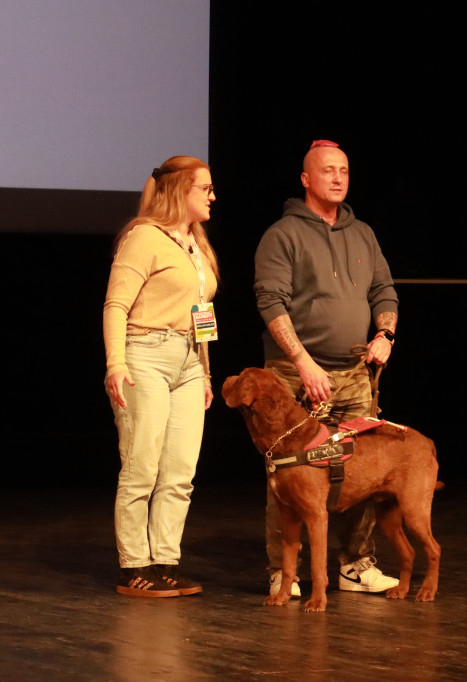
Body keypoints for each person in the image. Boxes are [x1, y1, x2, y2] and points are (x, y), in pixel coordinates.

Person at [254, 140, 400, 598]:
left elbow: (385, 291)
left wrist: (385, 336)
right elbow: (270, 302)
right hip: (298, 374)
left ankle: (356, 565)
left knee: (361, 470)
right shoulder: (282, 235)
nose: (337, 178)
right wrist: (302, 361)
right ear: (306, 179)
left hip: (354, 372)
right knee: (291, 475)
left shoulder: (364, 233)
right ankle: (285, 571)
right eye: (327, 171)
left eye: (344, 171)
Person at [103, 155, 219, 597]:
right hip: (144, 356)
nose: (212, 196)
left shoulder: (197, 246)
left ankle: (165, 562)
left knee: (179, 472)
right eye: (204, 188)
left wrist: (206, 372)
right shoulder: (143, 238)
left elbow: (203, 313)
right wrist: (116, 364)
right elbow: (115, 306)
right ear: (179, 191)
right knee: (141, 467)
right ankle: (135, 564)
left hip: (189, 363)